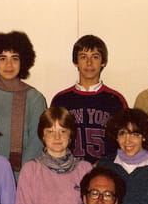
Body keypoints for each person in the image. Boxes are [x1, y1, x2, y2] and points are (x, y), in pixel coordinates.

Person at [0, 31, 46, 176]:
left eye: (15, 58)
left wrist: (21, 175)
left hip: (23, 175)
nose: (9, 64)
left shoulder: (35, 98)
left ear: (23, 61)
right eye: (2, 58)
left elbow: (37, 142)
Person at [50, 35, 127, 163]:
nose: (89, 62)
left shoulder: (115, 100)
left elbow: (124, 142)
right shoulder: (61, 100)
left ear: (103, 62)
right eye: (83, 57)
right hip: (67, 169)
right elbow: (52, 140)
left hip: (105, 170)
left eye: (95, 57)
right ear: (75, 62)